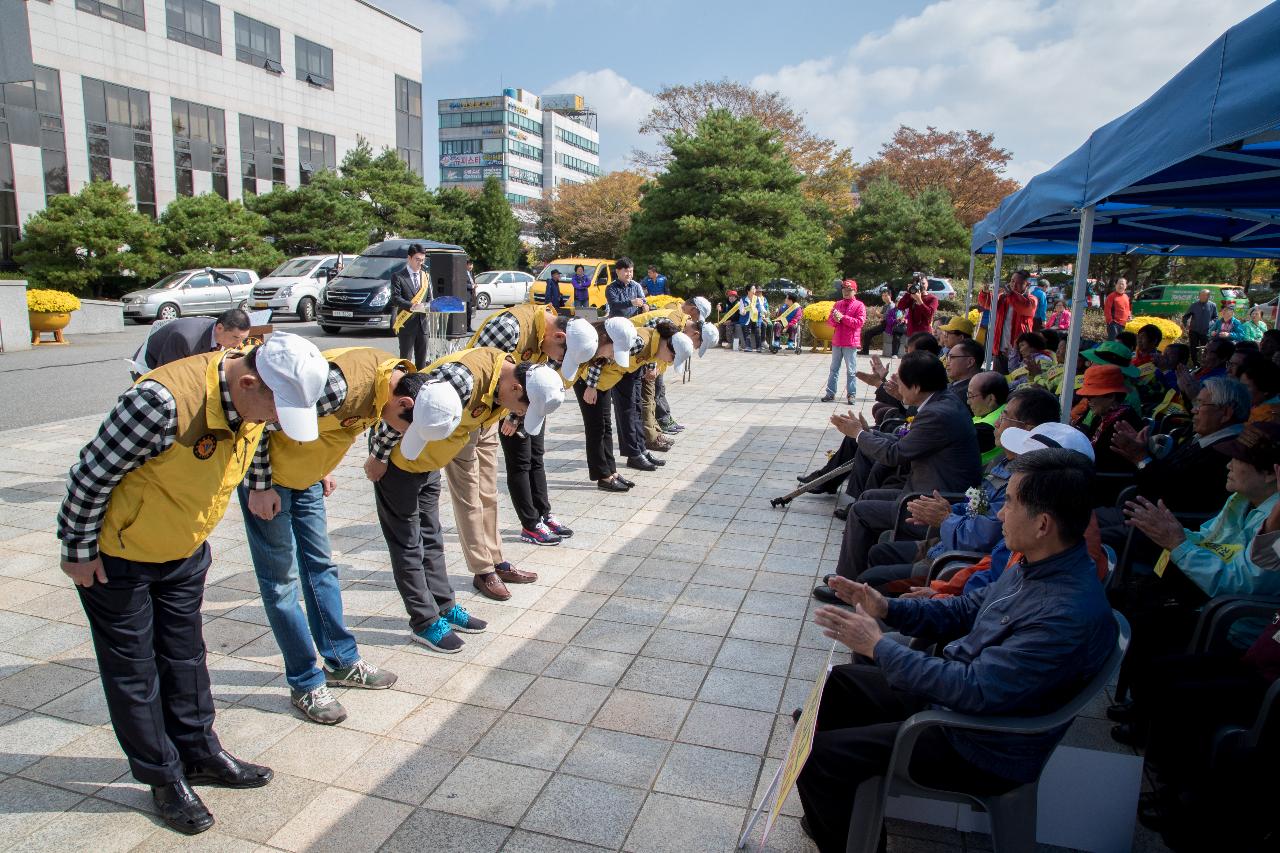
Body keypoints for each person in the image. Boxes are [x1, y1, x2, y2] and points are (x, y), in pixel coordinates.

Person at [56, 332, 329, 835]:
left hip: (183, 549)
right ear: (248, 381)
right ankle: (162, 777)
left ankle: (201, 752)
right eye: (272, 408)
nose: (272, 421)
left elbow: (258, 441)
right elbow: (89, 477)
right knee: (135, 671)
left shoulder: (251, 402)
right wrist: (77, 552)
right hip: (121, 557)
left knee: (185, 656)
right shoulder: (158, 404)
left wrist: (263, 484)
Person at [797, 448, 1117, 853]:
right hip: (960, 704)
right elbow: (967, 609)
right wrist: (887, 607)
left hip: (979, 743)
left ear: (1043, 524)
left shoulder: (1063, 614)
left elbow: (973, 690)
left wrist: (877, 646)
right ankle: (845, 815)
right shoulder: (1036, 563)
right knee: (840, 685)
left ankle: (841, 816)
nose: (1000, 514)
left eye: (1011, 504)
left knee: (822, 758)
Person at [239, 348, 408, 725]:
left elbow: (339, 429)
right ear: (405, 400)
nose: (396, 431)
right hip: (271, 484)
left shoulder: (392, 381)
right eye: (402, 422)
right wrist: (261, 485)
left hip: (307, 478)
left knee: (321, 568)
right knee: (281, 583)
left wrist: (321, 466)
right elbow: (256, 423)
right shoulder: (338, 386)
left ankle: (342, 661)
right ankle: (304, 682)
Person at [370, 348, 564, 646]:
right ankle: (424, 621)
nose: (521, 414)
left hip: (429, 461)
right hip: (399, 462)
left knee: (431, 538)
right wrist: (379, 456)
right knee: (409, 544)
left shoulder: (505, 385)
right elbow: (405, 410)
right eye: (524, 407)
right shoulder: (459, 380)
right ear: (515, 388)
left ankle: (444, 607)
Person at [817, 351, 983, 593]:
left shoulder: (938, 413)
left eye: (901, 383)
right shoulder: (942, 403)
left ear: (916, 387)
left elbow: (894, 454)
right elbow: (904, 443)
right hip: (923, 491)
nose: (896, 387)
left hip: (933, 503)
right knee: (867, 498)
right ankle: (859, 574)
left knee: (862, 512)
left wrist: (860, 435)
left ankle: (847, 586)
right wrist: (867, 433)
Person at [469, 303, 588, 545]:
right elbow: (488, 374)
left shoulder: (548, 331)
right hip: (507, 404)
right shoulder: (508, 328)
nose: (557, 360)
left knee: (536, 456)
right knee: (520, 462)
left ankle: (543, 513)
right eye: (561, 354)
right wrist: (513, 416)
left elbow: (547, 369)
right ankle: (530, 524)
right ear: (559, 336)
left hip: (531, 401)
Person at [571, 319, 641, 492]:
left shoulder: (632, 340)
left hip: (602, 382)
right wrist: (591, 386)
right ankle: (602, 476)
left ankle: (612, 471)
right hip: (587, 381)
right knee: (595, 427)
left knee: (606, 425)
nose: (612, 357)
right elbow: (596, 361)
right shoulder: (593, 340)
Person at [131, 309, 252, 378]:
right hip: (150, 365)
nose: (238, 344)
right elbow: (168, 375)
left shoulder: (219, 331)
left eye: (243, 339)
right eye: (236, 338)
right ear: (220, 328)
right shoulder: (185, 338)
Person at [1072, 364, 1142, 478]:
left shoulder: (1124, 423)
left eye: (1092, 396)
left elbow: (1111, 464)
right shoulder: (1100, 417)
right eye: (1086, 396)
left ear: (1111, 397)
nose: (1088, 400)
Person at [978, 270, 1037, 372]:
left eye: (1018, 283)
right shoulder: (1003, 298)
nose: (1014, 285)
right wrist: (984, 292)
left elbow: (1022, 306)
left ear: (1027, 284)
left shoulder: (1031, 299)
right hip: (1000, 351)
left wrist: (1010, 294)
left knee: (1017, 382)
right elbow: (987, 303)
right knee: (997, 382)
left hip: (1020, 352)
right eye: (1012, 281)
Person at [821, 279, 865, 404]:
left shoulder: (859, 305)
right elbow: (830, 321)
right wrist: (835, 319)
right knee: (833, 369)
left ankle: (851, 394)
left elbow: (859, 323)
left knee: (851, 370)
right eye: (844, 290)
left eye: (849, 290)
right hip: (837, 341)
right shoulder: (838, 304)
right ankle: (830, 393)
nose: (846, 292)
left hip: (850, 343)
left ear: (855, 291)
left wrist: (843, 318)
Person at [391, 243, 430, 368]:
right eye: (417, 259)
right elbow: (395, 298)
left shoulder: (426, 277)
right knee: (405, 362)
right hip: (406, 323)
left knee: (422, 362)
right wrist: (411, 305)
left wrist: (429, 305)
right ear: (409, 258)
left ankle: (420, 385)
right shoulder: (398, 276)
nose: (420, 263)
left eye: (422, 260)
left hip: (423, 324)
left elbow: (429, 298)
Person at [859, 289, 906, 358]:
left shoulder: (891, 306)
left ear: (890, 296)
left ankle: (865, 351)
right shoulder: (886, 305)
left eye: (886, 295)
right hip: (884, 324)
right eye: (883, 296)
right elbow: (882, 316)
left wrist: (878, 314)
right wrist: (878, 315)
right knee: (868, 333)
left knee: (868, 333)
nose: (884, 297)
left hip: (888, 325)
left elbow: (886, 317)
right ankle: (865, 350)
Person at [1182, 289, 1218, 365]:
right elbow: (1185, 316)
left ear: (1208, 296)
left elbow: (1216, 317)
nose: (1202, 297)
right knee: (1193, 347)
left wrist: (1211, 324)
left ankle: (1204, 363)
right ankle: (1195, 363)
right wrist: (1186, 324)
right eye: (1200, 295)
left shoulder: (1212, 305)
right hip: (1194, 330)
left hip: (1206, 331)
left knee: (1205, 348)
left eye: (1204, 295)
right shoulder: (1194, 305)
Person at [465, 259, 476, 332]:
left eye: (472, 264)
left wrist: (474, 285)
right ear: (466, 265)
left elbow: (472, 282)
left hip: (471, 295)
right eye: (470, 264)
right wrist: (471, 286)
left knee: (470, 312)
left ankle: (468, 327)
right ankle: (467, 327)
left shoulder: (471, 273)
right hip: (466, 295)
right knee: (468, 312)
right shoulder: (463, 273)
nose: (471, 266)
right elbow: (463, 284)